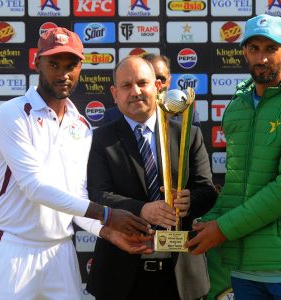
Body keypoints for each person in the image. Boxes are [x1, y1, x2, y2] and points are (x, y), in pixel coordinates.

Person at [0, 28, 152, 300]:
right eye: (54, 64)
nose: (63, 74)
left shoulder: (81, 125)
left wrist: (107, 232)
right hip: (13, 248)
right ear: (37, 63)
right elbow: (35, 188)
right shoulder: (12, 114)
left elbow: (77, 198)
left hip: (61, 250)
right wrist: (107, 215)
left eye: (71, 65)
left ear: (81, 67)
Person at [186, 14, 281, 300]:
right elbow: (237, 186)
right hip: (244, 268)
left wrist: (223, 228)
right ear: (244, 52)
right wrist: (200, 225)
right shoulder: (238, 106)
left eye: (271, 49)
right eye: (254, 48)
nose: (262, 58)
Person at [85, 55, 218, 300]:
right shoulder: (99, 140)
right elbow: (97, 195)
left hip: (181, 277)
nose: (135, 91)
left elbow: (207, 190)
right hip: (120, 279)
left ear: (157, 87)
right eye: (126, 86)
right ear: (115, 93)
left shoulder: (188, 134)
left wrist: (190, 202)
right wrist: (142, 209)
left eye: (142, 83)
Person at [103, 53, 201, 126]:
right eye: (146, 81)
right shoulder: (111, 118)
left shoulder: (188, 115)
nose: (136, 91)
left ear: (169, 81)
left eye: (161, 79)